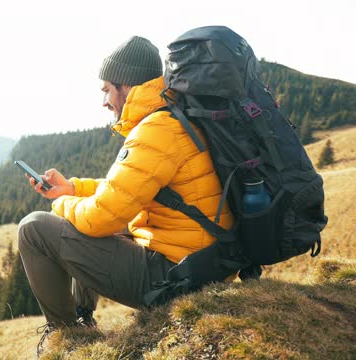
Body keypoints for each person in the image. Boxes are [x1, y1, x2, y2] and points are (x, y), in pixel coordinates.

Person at [17, 36, 234, 356]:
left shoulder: (156, 130)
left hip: (177, 278)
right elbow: (128, 188)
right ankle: (82, 315)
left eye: (106, 89)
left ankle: (64, 334)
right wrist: (73, 189)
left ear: (127, 87)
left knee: (34, 228)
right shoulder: (174, 117)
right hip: (206, 264)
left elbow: (101, 218)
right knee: (98, 216)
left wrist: (59, 202)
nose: (105, 100)